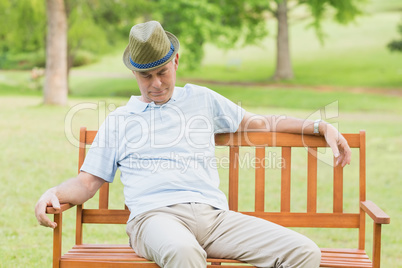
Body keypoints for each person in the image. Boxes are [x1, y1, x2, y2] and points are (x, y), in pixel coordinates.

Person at [35, 21, 351, 268]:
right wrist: (54, 193)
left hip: (214, 218)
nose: (156, 84)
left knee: (303, 253)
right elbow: (88, 182)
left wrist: (317, 125)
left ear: (176, 60)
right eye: (146, 77)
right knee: (184, 252)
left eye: (162, 72)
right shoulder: (119, 120)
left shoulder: (201, 99)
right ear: (133, 72)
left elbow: (258, 123)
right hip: (154, 219)